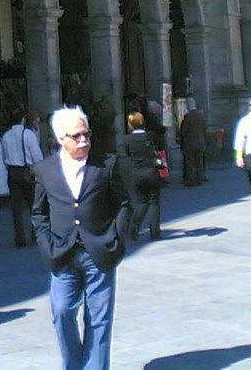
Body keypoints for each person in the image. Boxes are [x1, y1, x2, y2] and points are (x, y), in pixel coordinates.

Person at [32, 106, 132, 370]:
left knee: (99, 319)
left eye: (86, 134)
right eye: (76, 136)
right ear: (60, 139)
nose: (84, 141)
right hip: (62, 254)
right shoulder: (45, 170)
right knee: (62, 311)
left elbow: (123, 203)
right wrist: (46, 244)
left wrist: (117, 239)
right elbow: (38, 213)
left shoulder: (105, 164)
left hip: (99, 251)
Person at [1, 108, 44, 247]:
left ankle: (19, 238)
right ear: (23, 119)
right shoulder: (28, 134)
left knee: (16, 207)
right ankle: (35, 234)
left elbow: (4, 156)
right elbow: (37, 156)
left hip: (12, 172)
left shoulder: (6, 135)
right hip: (26, 171)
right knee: (34, 205)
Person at [125, 112, 161, 241]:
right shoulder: (149, 136)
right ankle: (155, 231)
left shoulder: (127, 139)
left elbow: (128, 154)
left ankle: (135, 224)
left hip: (137, 172)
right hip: (151, 171)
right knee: (154, 201)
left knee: (142, 201)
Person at [178, 100, 207, 186]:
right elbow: (204, 129)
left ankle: (191, 180)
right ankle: (200, 179)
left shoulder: (188, 116)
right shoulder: (201, 115)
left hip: (190, 143)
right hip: (201, 142)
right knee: (199, 162)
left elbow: (184, 131)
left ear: (188, 106)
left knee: (190, 162)